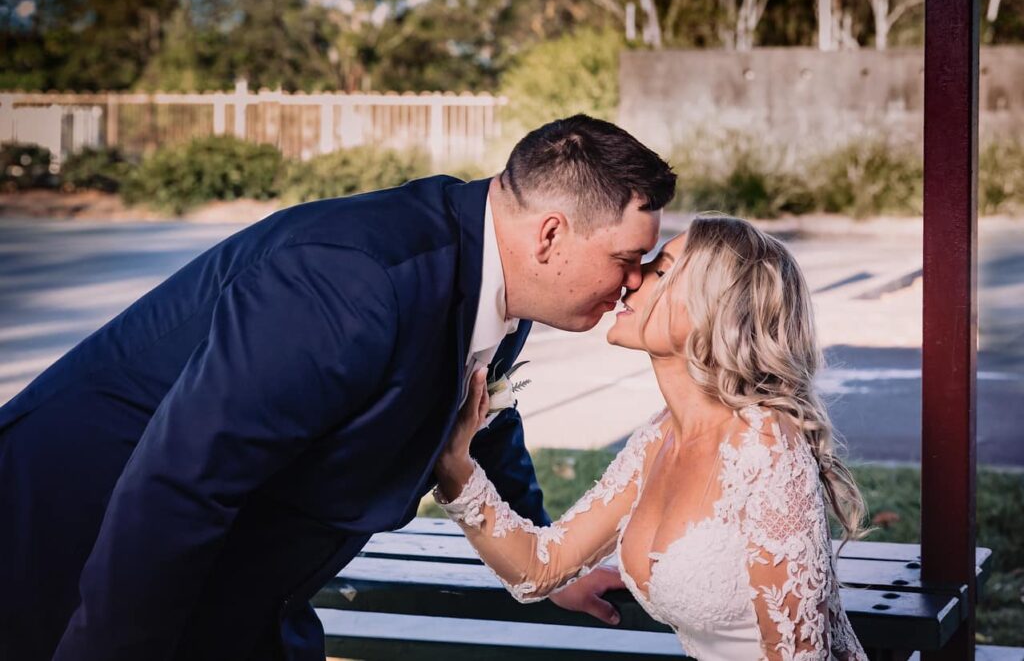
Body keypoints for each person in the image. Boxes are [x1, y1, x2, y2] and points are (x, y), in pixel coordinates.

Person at [0, 115, 676, 661]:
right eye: (625, 258)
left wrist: (552, 560)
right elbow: (180, 481)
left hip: (238, 577)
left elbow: (485, 418)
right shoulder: (354, 283)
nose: (634, 280)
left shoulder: (503, 282)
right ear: (551, 235)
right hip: (73, 544)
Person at [434, 215, 870, 660]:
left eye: (661, 270)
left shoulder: (767, 446)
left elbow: (799, 654)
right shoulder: (660, 437)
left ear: (715, 308)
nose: (633, 279)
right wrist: (455, 469)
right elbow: (540, 567)